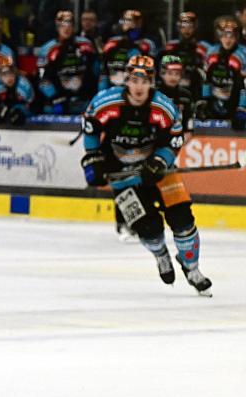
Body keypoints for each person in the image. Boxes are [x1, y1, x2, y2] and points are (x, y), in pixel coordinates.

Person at [81, 55, 212, 296]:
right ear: (127, 80)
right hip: (122, 173)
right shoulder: (104, 103)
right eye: (134, 79)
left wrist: (160, 161)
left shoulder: (164, 107)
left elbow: (174, 140)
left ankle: (191, 267)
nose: (139, 86)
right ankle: (161, 254)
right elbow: (90, 127)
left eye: (145, 80)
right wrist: (93, 159)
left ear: (152, 81)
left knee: (182, 218)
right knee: (148, 228)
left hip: (159, 171)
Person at [37, 10, 99, 115]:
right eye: (62, 24)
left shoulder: (86, 45)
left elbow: (97, 71)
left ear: (74, 25)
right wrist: (55, 98)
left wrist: (93, 94)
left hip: (84, 102)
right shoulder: (47, 49)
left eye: (69, 23)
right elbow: (42, 79)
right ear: (57, 26)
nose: (66, 28)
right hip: (58, 102)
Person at [199, 16, 246, 130]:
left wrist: (242, 108)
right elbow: (206, 78)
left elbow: (245, 84)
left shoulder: (243, 53)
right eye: (224, 36)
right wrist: (204, 102)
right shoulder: (211, 51)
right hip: (214, 103)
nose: (228, 40)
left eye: (232, 37)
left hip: (236, 105)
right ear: (219, 36)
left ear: (237, 37)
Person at [100, 10, 156, 91]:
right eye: (127, 20)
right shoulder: (112, 41)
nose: (131, 23)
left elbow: (152, 71)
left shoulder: (148, 43)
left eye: (135, 20)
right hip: (114, 85)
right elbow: (104, 68)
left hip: (137, 87)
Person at [158, 12, 209, 100]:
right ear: (179, 28)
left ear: (195, 27)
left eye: (190, 27)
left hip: (195, 91)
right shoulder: (170, 47)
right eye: (183, 27)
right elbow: (161, 70)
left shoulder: (203, 48)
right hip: (173, 91)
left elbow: (206, 74)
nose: (186, 30)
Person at [157, 55, 194, 141]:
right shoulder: (154, 93)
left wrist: (188, 130)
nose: (173, 77)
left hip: (179, 137)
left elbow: (189, 116)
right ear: (162, 74)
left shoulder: (186, 95)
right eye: (169, 73)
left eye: (177, 74)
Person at [0, 55, 34, 126]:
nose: (8, 77)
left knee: (17, 115)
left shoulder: (23, 84)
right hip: (9, 104)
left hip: (27, 106)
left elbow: (25, 102)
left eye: (10, 72)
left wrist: (8, 108)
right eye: (4, 74)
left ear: (15, 72)